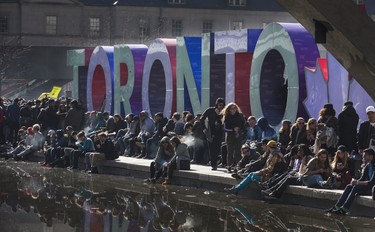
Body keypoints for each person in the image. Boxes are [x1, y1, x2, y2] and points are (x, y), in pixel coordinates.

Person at [325, 148, 375, 215]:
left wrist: (357, 182)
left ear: (371, 156)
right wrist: (355, 181)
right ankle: (337, 206)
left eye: (365, 155)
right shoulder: (368, 166)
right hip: (366, 186)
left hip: (372, 189)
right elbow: (362, 179)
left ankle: (345, 208)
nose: (363, 157)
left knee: (355, 188)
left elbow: (371, 182)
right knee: (349, 186)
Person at [200, 97, 225, 170]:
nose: (221, 106)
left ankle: (215, 162)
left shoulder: (223, 112)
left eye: (222, 105)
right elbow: (202, 118)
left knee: (217, 149)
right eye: (219, 105)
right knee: (211, 149)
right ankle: (213, 164)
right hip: (210, 132)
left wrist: (219, 115)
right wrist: (204, 128)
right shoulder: (210, 110)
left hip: (219, 133)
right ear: (217, 104)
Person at [221, 102, 245, 173]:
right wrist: (232, 129)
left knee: (238, 151)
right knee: (230, 151)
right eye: (232, 108)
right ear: (229, 109)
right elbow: (225, 128)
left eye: (234, 108)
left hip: (238, 134)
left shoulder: (240, 115)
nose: (233, 110)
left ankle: (238, 166)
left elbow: (244, 124)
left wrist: (239, 129)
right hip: (230, 135)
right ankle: (229, 166)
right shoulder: (227, 116)